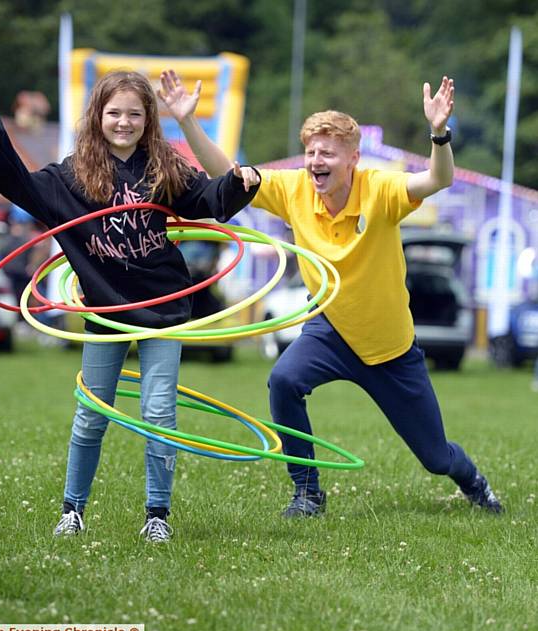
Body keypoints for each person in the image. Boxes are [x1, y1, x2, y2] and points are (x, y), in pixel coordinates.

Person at [158, 69, 503, 516]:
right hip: (330, 330)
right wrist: (188, 123)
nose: (315, 161)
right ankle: (307, 492)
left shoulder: (379, 189)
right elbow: (230, 175)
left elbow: (437, 180)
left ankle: (472, 480)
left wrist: (438, 134)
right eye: (310, 152)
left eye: (327, 153)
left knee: (435, 458)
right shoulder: (294, 188)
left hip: (389, 347)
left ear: (353, 158)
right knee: (283, 380)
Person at [0, 70, 260, 542]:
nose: (124, 122)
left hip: (164, 305)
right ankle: (72, 510)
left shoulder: (165, 167)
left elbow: (208, 199)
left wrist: (244, 180)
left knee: (159, 411)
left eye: (134, 114)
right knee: (92, 413)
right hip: (105, 309)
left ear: (149, 119)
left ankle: (157, 516)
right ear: (98, 115)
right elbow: (20, 186)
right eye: (114, 112)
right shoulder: (71, 176)